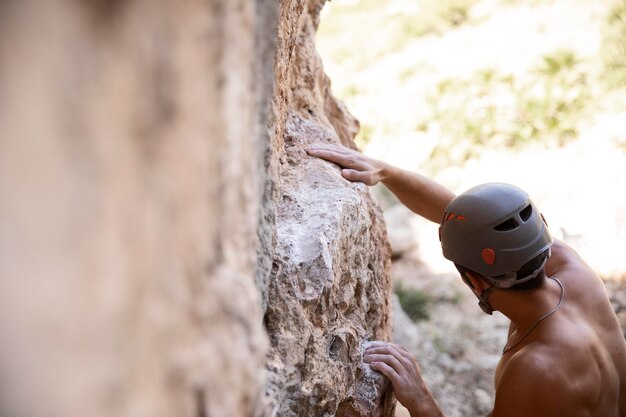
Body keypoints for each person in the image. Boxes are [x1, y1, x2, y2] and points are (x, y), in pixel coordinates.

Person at [306, 143, 626, 417]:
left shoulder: (536, 368)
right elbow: (468, 217)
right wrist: (386, 172)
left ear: (474, 280)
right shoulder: (573, 270)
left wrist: (422, 402)